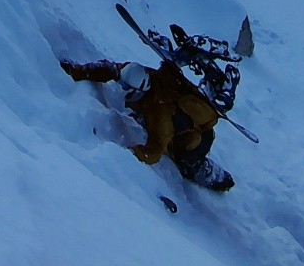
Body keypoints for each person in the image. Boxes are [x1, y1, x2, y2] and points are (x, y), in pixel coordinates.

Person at [61, 55, 234, 191]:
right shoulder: (146, 77)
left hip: (193, 143)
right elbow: (113, 70)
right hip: (182, 113)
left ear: (139, 91)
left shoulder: (160, 117)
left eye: (126, 88)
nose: (122, 88)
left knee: (185, 157)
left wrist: (128, 154)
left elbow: (155, 150)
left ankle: (198, 168)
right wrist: (79, 71)